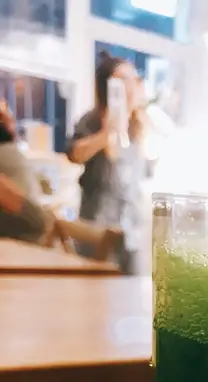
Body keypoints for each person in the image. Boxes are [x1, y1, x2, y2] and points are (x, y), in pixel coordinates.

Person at [67, 52, 148, 273]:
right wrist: (107, 134)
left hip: (131, 225)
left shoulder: (139, 124)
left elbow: (140, 172)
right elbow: (74, 154)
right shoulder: (93, 120)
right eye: (123, 80)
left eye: (135, 79)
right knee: (97, 287)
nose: (133, 85)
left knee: (133, 285)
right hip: (98, 225)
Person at [0, 99, 51, 243]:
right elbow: (38, 221)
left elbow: (38, 221)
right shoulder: (10, 154)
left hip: (24, 246)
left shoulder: (10, 154)